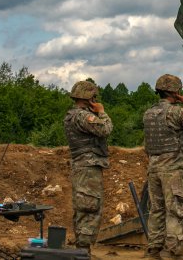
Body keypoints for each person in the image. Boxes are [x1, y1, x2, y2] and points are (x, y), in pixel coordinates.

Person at [143, 74, 183, 259]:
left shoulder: (149, 113)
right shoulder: (175, 112)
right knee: (177, 210)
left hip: (154, 167)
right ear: (176, 92)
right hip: (173, 168)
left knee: (157, 210)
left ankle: (154, 248)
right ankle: (171, 252)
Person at [64, 80, 113, 258]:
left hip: (82, 166)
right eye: (94, 97)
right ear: (89, 98)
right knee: (89, 208)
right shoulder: (83, 117)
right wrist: (102, 112)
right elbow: (106, 129)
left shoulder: (72, 115)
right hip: (88, 167)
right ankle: (83, 252)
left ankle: (82, 250)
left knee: (84, 207)